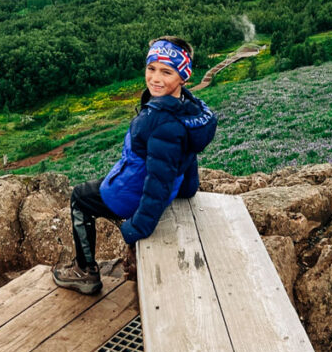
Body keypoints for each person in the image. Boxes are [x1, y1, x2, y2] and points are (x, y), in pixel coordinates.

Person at [52, 36, 217, 295]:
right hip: (150, 187)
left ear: (183, 76)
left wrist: (136, 228)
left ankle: (85, 272)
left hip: (129, 195)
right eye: (151, 69)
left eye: (166, 72)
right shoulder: (189, 108)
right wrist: (188, 188)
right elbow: (187, 154)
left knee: (80, 197)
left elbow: (157, 184)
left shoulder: (161, 123)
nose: (155, 79)